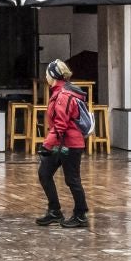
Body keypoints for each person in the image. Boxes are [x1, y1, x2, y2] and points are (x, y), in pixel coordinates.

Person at [35, 59, 89, 229]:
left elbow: (61, 124)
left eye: (46, 73)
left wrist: (46, 145)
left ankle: (80, 215)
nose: (45, 76)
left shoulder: (63, 95)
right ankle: (54, 211)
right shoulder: (60, 91)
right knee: (44, 173)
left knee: (72, 179)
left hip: (69, 145)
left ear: (53, 75)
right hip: (61, 143)